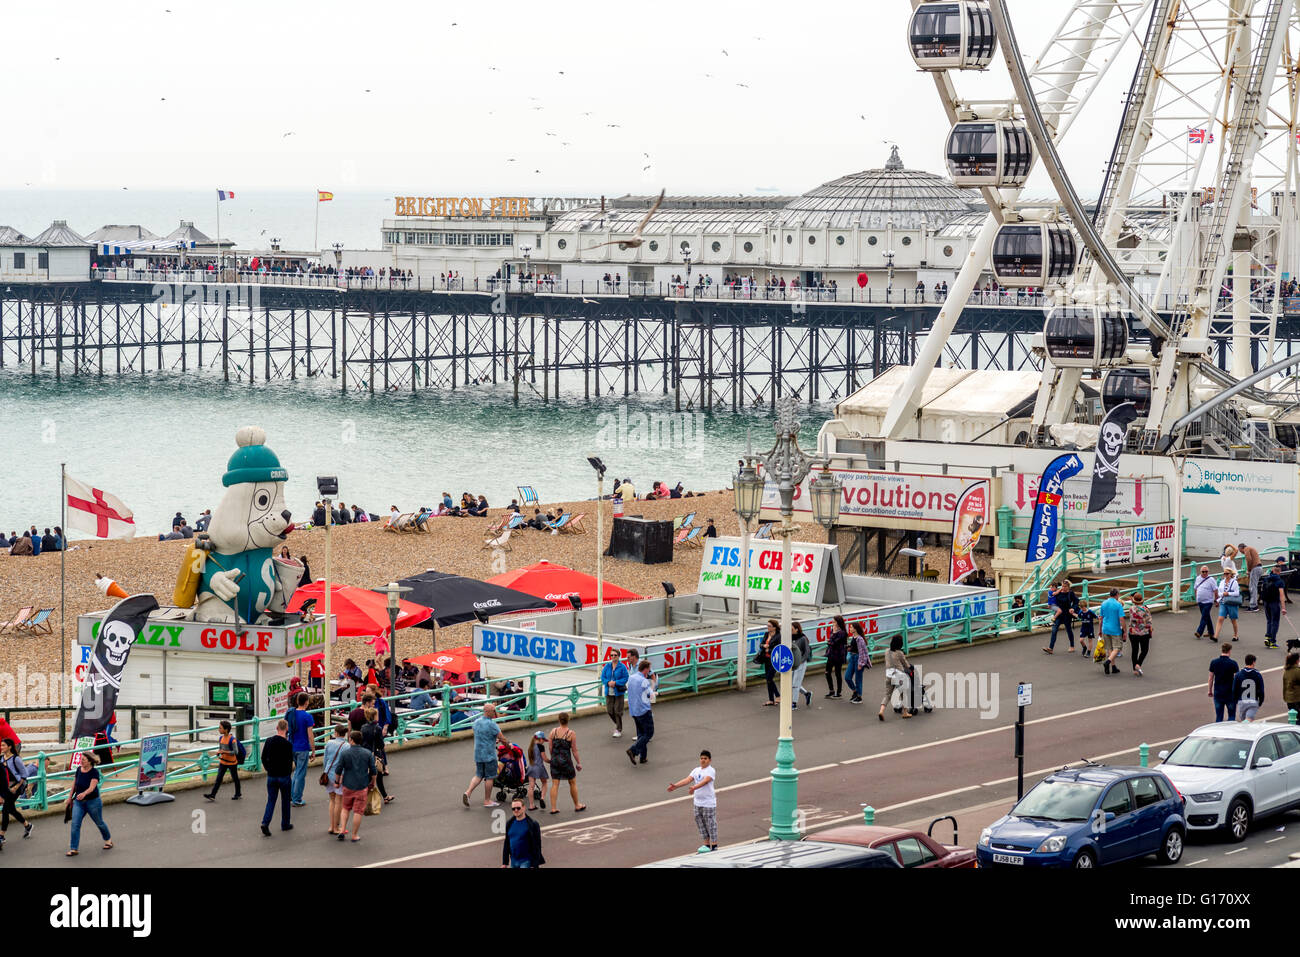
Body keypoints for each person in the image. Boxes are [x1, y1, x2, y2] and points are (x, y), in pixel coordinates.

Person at [667, 750, 718, 853]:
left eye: (705, 758)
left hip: (708, 803)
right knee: (701, 824)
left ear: (709, 760)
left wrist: (694, 787)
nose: (703, 760)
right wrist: (676, 786)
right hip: (697, 803)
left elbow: (705, 781)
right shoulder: (696, 770)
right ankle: (706, 845)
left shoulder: (710, 770)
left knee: (710, 824)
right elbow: (687, 780)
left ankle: (714, 845)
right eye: (701, 758)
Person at [65, 752, 112, 856]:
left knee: (99, 822)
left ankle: (108, 840)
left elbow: (92, 788)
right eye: (81, 759)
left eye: (83, 760)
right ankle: (74, 848)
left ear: (90, 761)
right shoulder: (78, 770)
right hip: (78, 802)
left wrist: (84, 794)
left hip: (93, 802)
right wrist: (69, 798)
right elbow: (74, 784)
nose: (81, 761)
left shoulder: (94, 772)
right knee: (75, 824)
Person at [333, 730, 376, 843]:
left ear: (351, 740)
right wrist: (373, 782)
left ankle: (342, 830)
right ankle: (354, 835)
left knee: (345, 808)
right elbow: (373, 770)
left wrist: (337, 782)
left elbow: (338, 769)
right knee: (358, 811)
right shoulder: (367, 753)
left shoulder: (345, 753)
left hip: (347, 784)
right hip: (362, 785)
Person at [463, 703, 507, 808]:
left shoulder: (476, 722)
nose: (495, 713)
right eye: (494, 711)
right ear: (489, 711)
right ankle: (487, 800)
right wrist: (509, 745)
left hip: (478, 753)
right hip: (489, 755)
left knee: (478, 775)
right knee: (490, 777)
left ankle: (468, 793)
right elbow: (502, 738)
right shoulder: (492, 725)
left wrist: (492, 740)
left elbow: (483, 736)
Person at [259, 718, 294, 836]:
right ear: (287, 729)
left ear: (277, 728)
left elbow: (263, 758)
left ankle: (265, 822)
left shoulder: (269, 741)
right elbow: (290, 761)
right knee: (285, 801)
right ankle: (285, 823)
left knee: (271, 800)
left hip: (272, 775)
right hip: (284, 776)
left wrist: (268, 769)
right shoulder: (288, 744)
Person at [547, 712, 586, 813]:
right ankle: (577, 805)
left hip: (555, 760)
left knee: (555, 783)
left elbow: (550, 747)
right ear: (568, 720)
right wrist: (578, 763)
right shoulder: (571, 733)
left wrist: (553, 757)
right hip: (566, 761)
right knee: (572, 782)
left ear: (559, 720)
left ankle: (553, 808)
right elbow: (574, 750)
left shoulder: (553, 732)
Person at [0, 738, 31, 848]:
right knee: (11, 809)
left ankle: (1, 836)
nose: (1, 747)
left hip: (16, 787)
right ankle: (27, 825)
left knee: (5, 810)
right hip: (5, 787)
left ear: (9, 747)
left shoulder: (16, 759)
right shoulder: (1, 758)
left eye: (3, 745)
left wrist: (16, 787)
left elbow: (24, 774)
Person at [360, 707, 394, 804]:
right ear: (374, 716)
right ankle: (383, 796)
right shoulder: (377, 728)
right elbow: (380, 744)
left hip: (365, 753)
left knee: (369, 776)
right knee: (378, 776)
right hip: (375, 754)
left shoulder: (363, 728)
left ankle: (384, 796)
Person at [287, 692, 314, 807]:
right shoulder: (307, 716)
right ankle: (297, 799)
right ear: (306, 702)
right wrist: (313, 750)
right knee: (300, 773)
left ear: (297, 701)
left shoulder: (291, 714)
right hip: (302, 747)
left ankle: (292, 794)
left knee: (296, 772)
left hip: (291, 745)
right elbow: (310, 735)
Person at [501, 798, 545, 868]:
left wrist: (534, 864)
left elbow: (537, 845)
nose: (516, 810)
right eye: (513, 808)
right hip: (513, 861)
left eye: (518, 808)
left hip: (526, 861)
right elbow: (507, 843)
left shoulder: (532, 824)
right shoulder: (509, 823)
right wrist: (504, 862)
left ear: (524, 808)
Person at [321, 724, 348, 836]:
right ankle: (336, 827)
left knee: (332, 800)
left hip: (328, 773)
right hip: (339, 775)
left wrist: (325, 772)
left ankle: (331, 826)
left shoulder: (329, 743)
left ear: (335, 733)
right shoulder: (347, 746)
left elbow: (325, 759)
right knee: (339, 801)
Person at [204, 720, 241, 801]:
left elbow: (235, 752)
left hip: (232, 763)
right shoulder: (221, 738)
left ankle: (238, 793)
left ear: (226, 729)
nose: (219, 729)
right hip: (223, 762)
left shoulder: (232, 740)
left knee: (235, 778)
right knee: (218, 779)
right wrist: (219, 752)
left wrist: (224, 752)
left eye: (220, 728)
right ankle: (213, 795)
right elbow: (221, 748)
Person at [627, 660, 656, 765]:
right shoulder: (643, 681)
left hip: (634, 710)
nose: (649, 671)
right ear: (646, 669)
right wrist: (654, 691)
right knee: (649, 733)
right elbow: (651, 695)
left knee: (641, 734)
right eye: (649, 669)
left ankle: (643, 757)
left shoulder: (631, 678)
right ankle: (633, 750)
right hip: (643, 710)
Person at [879, 635, 911, 721]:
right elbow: (906, 664)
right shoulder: (899, 653)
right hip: (898, 676)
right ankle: (905, 712)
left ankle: (881, 711)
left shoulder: (886, 651)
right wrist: (910, 668)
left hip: (889, 675)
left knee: (887, 695)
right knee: (903, 694)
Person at [1098, 588, 1128, 676]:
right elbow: (1121, 619)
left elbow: (1101, 618)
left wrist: (1100, 630)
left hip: (1105, 628)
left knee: (1109, 648)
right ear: (1117, 595)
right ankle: (1108, 662)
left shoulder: (1103, 603)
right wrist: (1125, 630)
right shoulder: (1118, 605)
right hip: (1115, 629)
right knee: (1117, 648)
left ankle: (1113, 666)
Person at [1208, 643, 1240, 722]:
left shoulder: (1214, 662)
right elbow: (1237, 679)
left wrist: (1210, 691)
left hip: (1218, 692)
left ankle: (1219, 732)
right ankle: (1230, 732)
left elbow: (1211, 678)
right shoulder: (1233, 663)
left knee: (1219, 716)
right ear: (1229, 651)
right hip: (1230, 693)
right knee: (1231, 715)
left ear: (1222, 650)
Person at [1261, 558, 1289, 650]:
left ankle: (1267, 637)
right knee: (1275, 622)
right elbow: (1282, 595)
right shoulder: (1279, 581)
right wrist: (1283, 608)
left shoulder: (1266, 579)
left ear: (1272, 571)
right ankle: (1273, 641)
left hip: (1266, 602)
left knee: (1269, 621)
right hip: (1274, 603)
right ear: (1279, 572)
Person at [1043, 581, 1078, 654]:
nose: (1063, 588)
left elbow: (1076, 601)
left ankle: (1072, 646)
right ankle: (1050, 648)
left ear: (1068, 587)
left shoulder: (1070, 593)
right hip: (1058, 614)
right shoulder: (1058, 592)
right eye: (1062, 586)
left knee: (1068, 630)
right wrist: (1051, 605)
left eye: (1065, 586)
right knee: (1054, 630)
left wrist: (1073, 608)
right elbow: (1052, 599)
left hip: (1067, 614)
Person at [600, 654, 629, 737]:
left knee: (617, 710)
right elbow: (603, 677)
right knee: (609, 710)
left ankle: (618, 729)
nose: (613, 656)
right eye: (611, 655)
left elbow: (625, 677)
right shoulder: (607, 666)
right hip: (609, 692)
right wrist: (608, 682)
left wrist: (616, 682)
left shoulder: (622, 666)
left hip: (618, 692)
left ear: (618, 656)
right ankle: (618, 723)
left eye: (615, 655)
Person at [1233, 654, 1265, 722]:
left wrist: (1236, 701)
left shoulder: (1238, 674)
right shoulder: (1257, 674)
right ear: (1253, 662)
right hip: (1253, 701)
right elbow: (1261, 690)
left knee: (1243, 721)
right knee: (1249, 721)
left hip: (1242, 701)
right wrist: (1260, 702)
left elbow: (1234, 689)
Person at [1128, 592, 1153, 677]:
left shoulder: (1131, 609)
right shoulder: (1145, 609)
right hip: (1144, 632)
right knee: (1144, 650)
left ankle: (1134, 669)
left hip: (1133, 632)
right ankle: (1138, 664)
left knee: (1134, 650)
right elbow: (1149, 622)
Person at [790, 622, 813, 710]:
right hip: (791, 663)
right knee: (791, 683)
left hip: (800, 664)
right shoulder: (789, 638)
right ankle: (807, 694)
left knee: (795, 684)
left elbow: (807, 652)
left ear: (796, 629)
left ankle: (794, 703)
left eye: (792, 629)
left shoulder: (803, 638)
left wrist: (801, 661)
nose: (790, 631)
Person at [847, 619, 871, 703]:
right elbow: (854, 648)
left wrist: (861, 663)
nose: (849, 629)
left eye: (851, 627)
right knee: (847, 677)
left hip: (858, 659)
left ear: (855, 629)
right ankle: (855, 691)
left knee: (858, 679)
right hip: (852, 658)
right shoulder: (853, 637)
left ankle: (859, 696)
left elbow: (863, 652)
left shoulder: (860, 639)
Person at [758, 619, 781, 707]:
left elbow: (779, 648)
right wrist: (764, 646)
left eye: (769, 626)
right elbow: (761, 644)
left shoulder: (779, 636)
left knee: (769, 678)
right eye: (767, 626)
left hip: (774, 660)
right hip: (766, 659)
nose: (767, 627)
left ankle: (778, 696)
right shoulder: (766, 634)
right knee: (768, 680)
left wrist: (769, 649)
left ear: (774, 627)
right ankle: (771, 700)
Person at [1216, 567, 1242, 642]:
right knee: (1220, 618)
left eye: (1227, 573)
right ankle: (1216, 636)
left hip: (1231, 603)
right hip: (1223, 602)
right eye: (1224, 573)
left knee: (1233, 620)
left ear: (1231, 574)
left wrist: (1228, 593)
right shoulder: (1221, 582)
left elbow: (1237, 593)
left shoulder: (1234, 582)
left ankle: (1235, 635)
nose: (1225, 575)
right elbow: (1219, 592)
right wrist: (1221, 596)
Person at [825, 615, 847, 698]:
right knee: (827, 672)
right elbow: (831, 641)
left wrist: (831, 638)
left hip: (838, 655)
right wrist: (831, 639)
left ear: (838, 622)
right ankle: (831, 690)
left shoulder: (842, 632)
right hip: (831, 654)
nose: (832, 623)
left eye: (834, 621)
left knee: (837, 673)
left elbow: (834, 643)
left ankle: (838, 692)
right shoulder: (833, 629)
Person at [526, 731, 549, 811]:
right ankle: (542, 797)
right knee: (544, 783)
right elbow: (544, 759)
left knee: (531, 787)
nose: (543, 742)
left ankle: (531, 805)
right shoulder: (540, 747)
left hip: (531, 767)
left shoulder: (530, 747)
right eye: (543, 740)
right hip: (539, 767)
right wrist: (550, 761)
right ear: (540, 739)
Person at [1194, 565, 1218, 639]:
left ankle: (1199, 632)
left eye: (1206, 571)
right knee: (1206, 616)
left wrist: (1216, 600)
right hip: (1200, 601)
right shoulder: (1198, 578)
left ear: (1208, 572)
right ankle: (1211, 632)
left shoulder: (1211, 579)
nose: (1204, 573)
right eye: (1203, 572)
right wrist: (1196, 598)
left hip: (1208, 601)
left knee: (1204, 617)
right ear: (1200, 572)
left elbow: (1215, 590)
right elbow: (1195, 588)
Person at [1240, 542, 1263, 611]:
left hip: (1255, 568)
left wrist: (1249, 570)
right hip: (1259, 568)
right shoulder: (1251, 548)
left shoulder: (1246, 549)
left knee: (1253, 587)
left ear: (1241, 548)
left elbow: (1249, 559)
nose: (1241, 553)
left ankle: (1253, 606)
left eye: (1240, 551)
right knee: (1253, 586)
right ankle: (1253, 605)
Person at [1283, 652, 1300, 718]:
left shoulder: (1286, 671)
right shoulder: (1297, 671)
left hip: (1289, 699)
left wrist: (1285, 697)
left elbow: (1284, 686)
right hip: (1297, 699)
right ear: (1296, 661)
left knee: (1293, 717)